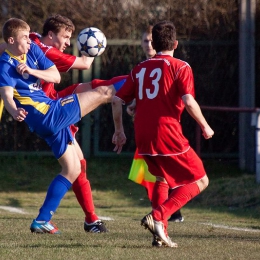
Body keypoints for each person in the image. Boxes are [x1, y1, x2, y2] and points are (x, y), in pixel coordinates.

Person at [0, 17, 117, 234]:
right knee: (104, 92)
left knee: (74, 168)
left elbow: (55, 76)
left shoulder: (33, 49)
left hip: (50, 112)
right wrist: (14, 110)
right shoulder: (5, 66)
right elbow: (7, 95)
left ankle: (43, 220)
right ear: (11, 40)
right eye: (24, 37)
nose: (29, 40)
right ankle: (136, 95)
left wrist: (32, 71)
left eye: (28, 36)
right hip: (49, 115)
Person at [112, 20, 214, 247]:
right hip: (167, 133)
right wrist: (205, 125)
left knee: (161, 179)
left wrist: (119, 131)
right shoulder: (181, 67)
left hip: (142, 135)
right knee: (201, 180)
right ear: (175, 44)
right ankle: (158, 216)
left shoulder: (139, 68)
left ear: (154, 43)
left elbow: (117, 100)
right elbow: (188, 101)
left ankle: (160, 235)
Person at [28, 14, 127, 233]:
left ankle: (91, 219)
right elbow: (84, 63)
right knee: (102, 92)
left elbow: (10, 41)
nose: (67, 43)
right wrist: (90, 48)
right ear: (50, 34)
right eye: (65, 37)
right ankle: (136, 83)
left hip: (51, 102)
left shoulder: (33, 39)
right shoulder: (46, 50)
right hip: (51, 111)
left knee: (78, 166)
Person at [127, 24, 184, 223]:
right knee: (150, 173)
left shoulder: (167, 64)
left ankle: (168, 211)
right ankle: (163, 212)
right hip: (147, 128)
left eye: (152, 40)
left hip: (164, 127)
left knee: (162, 172)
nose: (149, 44)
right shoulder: (143, 66)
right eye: (145, 41)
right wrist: (135, 103)